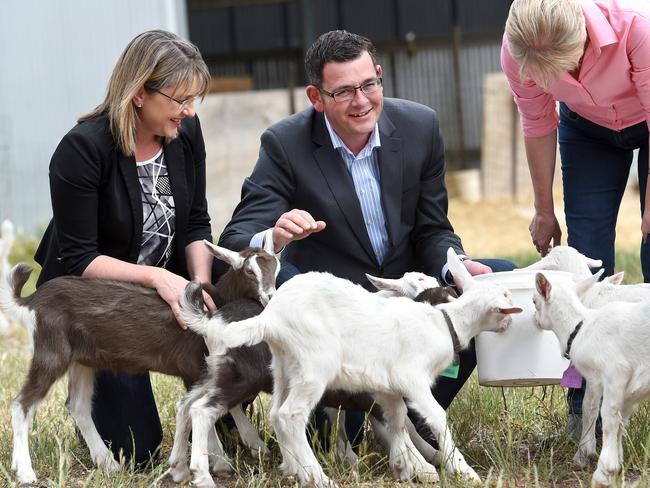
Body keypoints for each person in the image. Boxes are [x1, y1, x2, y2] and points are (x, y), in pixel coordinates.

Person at [219, 29, 515, 448]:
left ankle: (416, 412)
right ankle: (366, 421)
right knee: (343, 443)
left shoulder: (420, 127)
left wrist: (455, 263)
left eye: (368, 85)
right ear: (316, 97)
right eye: (342, 92)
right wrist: (276, 237)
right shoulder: (285, 144)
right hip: (342, 323)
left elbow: (432, 228)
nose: (361, 101)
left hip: (405, 300)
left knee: (496, 279)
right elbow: (235, 238)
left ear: (379, 75)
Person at [34, 29, 217, 465]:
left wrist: (201, 289)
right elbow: (79, 259)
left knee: (236, 296)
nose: (189, 112)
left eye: (194, 100)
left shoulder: (185, 133)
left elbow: (196, 222)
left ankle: (223, 418)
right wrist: (160, 279)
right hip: (96, 298)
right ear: (139, 93)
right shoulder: (81, 150)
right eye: (180, 100)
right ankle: (89, 395)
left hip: (170, 276)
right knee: (137, 449)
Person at [501, 0, 650, 436]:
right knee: (585, 258)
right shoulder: (517, 49)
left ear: (582, 40)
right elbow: (537, 121)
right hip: (587, 129)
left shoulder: (636, 29)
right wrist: (543, 209)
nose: (549, 80)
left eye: (559, 68)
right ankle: (587, 407)